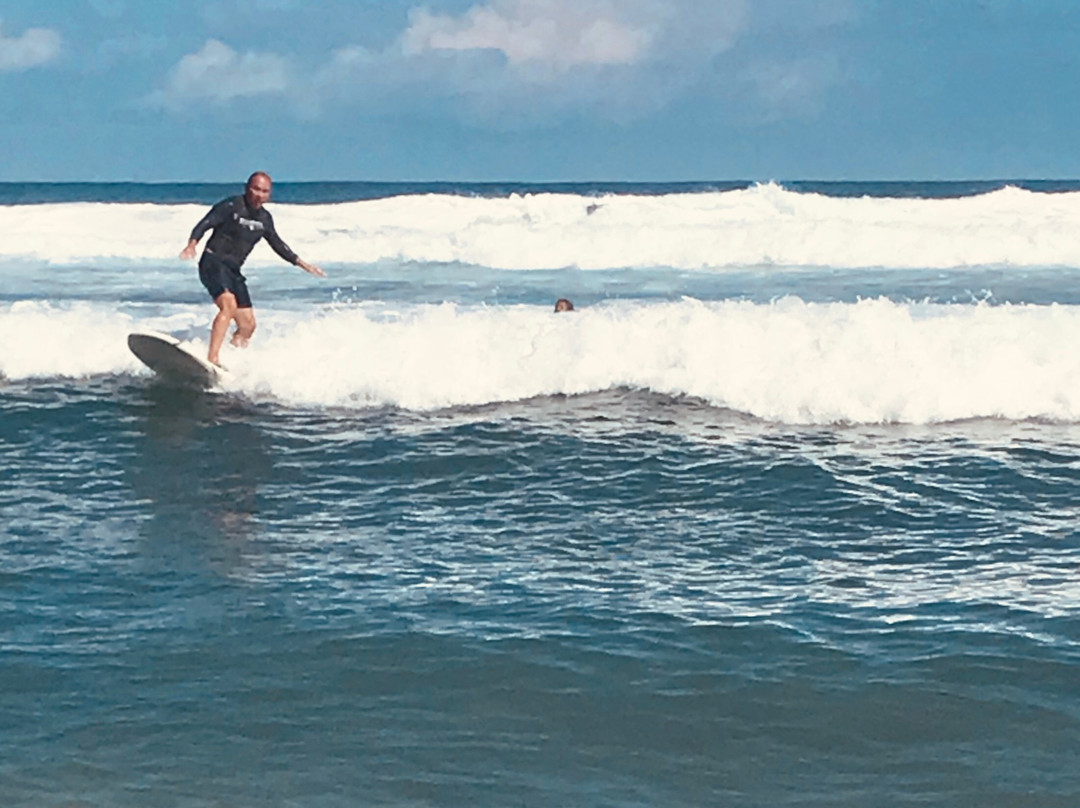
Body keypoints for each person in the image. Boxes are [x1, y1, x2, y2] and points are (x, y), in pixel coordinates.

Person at [180, 171, 326, 366]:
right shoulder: (230, 206)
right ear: (247, 188)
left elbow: (277, 244)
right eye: (256, 189)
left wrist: (302, 263)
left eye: (264, 191)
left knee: (248, 325)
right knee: (228, 306)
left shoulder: (264, 219)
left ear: (269, 195)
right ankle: (212, 358)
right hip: (213, 262)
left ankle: (231, 356)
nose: (259, 194)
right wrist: (192, 245)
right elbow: (204, 224)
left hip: (233, 271)